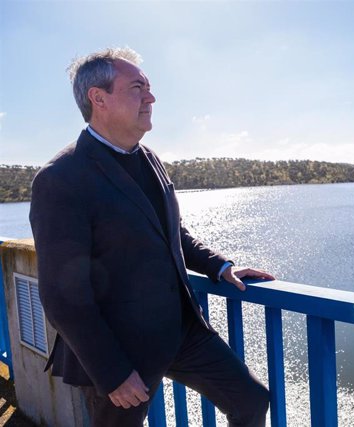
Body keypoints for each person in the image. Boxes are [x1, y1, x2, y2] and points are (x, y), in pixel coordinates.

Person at [29, 47, 274, 427]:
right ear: (99, 98)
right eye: (137, 87)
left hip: (182, 332)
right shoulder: (61, 178)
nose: (151, 97)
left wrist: (221, 266)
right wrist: (111, 372)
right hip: (120, 350)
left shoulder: (148, 157)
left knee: (252, 400)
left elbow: (172, 232)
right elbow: (62, 295)